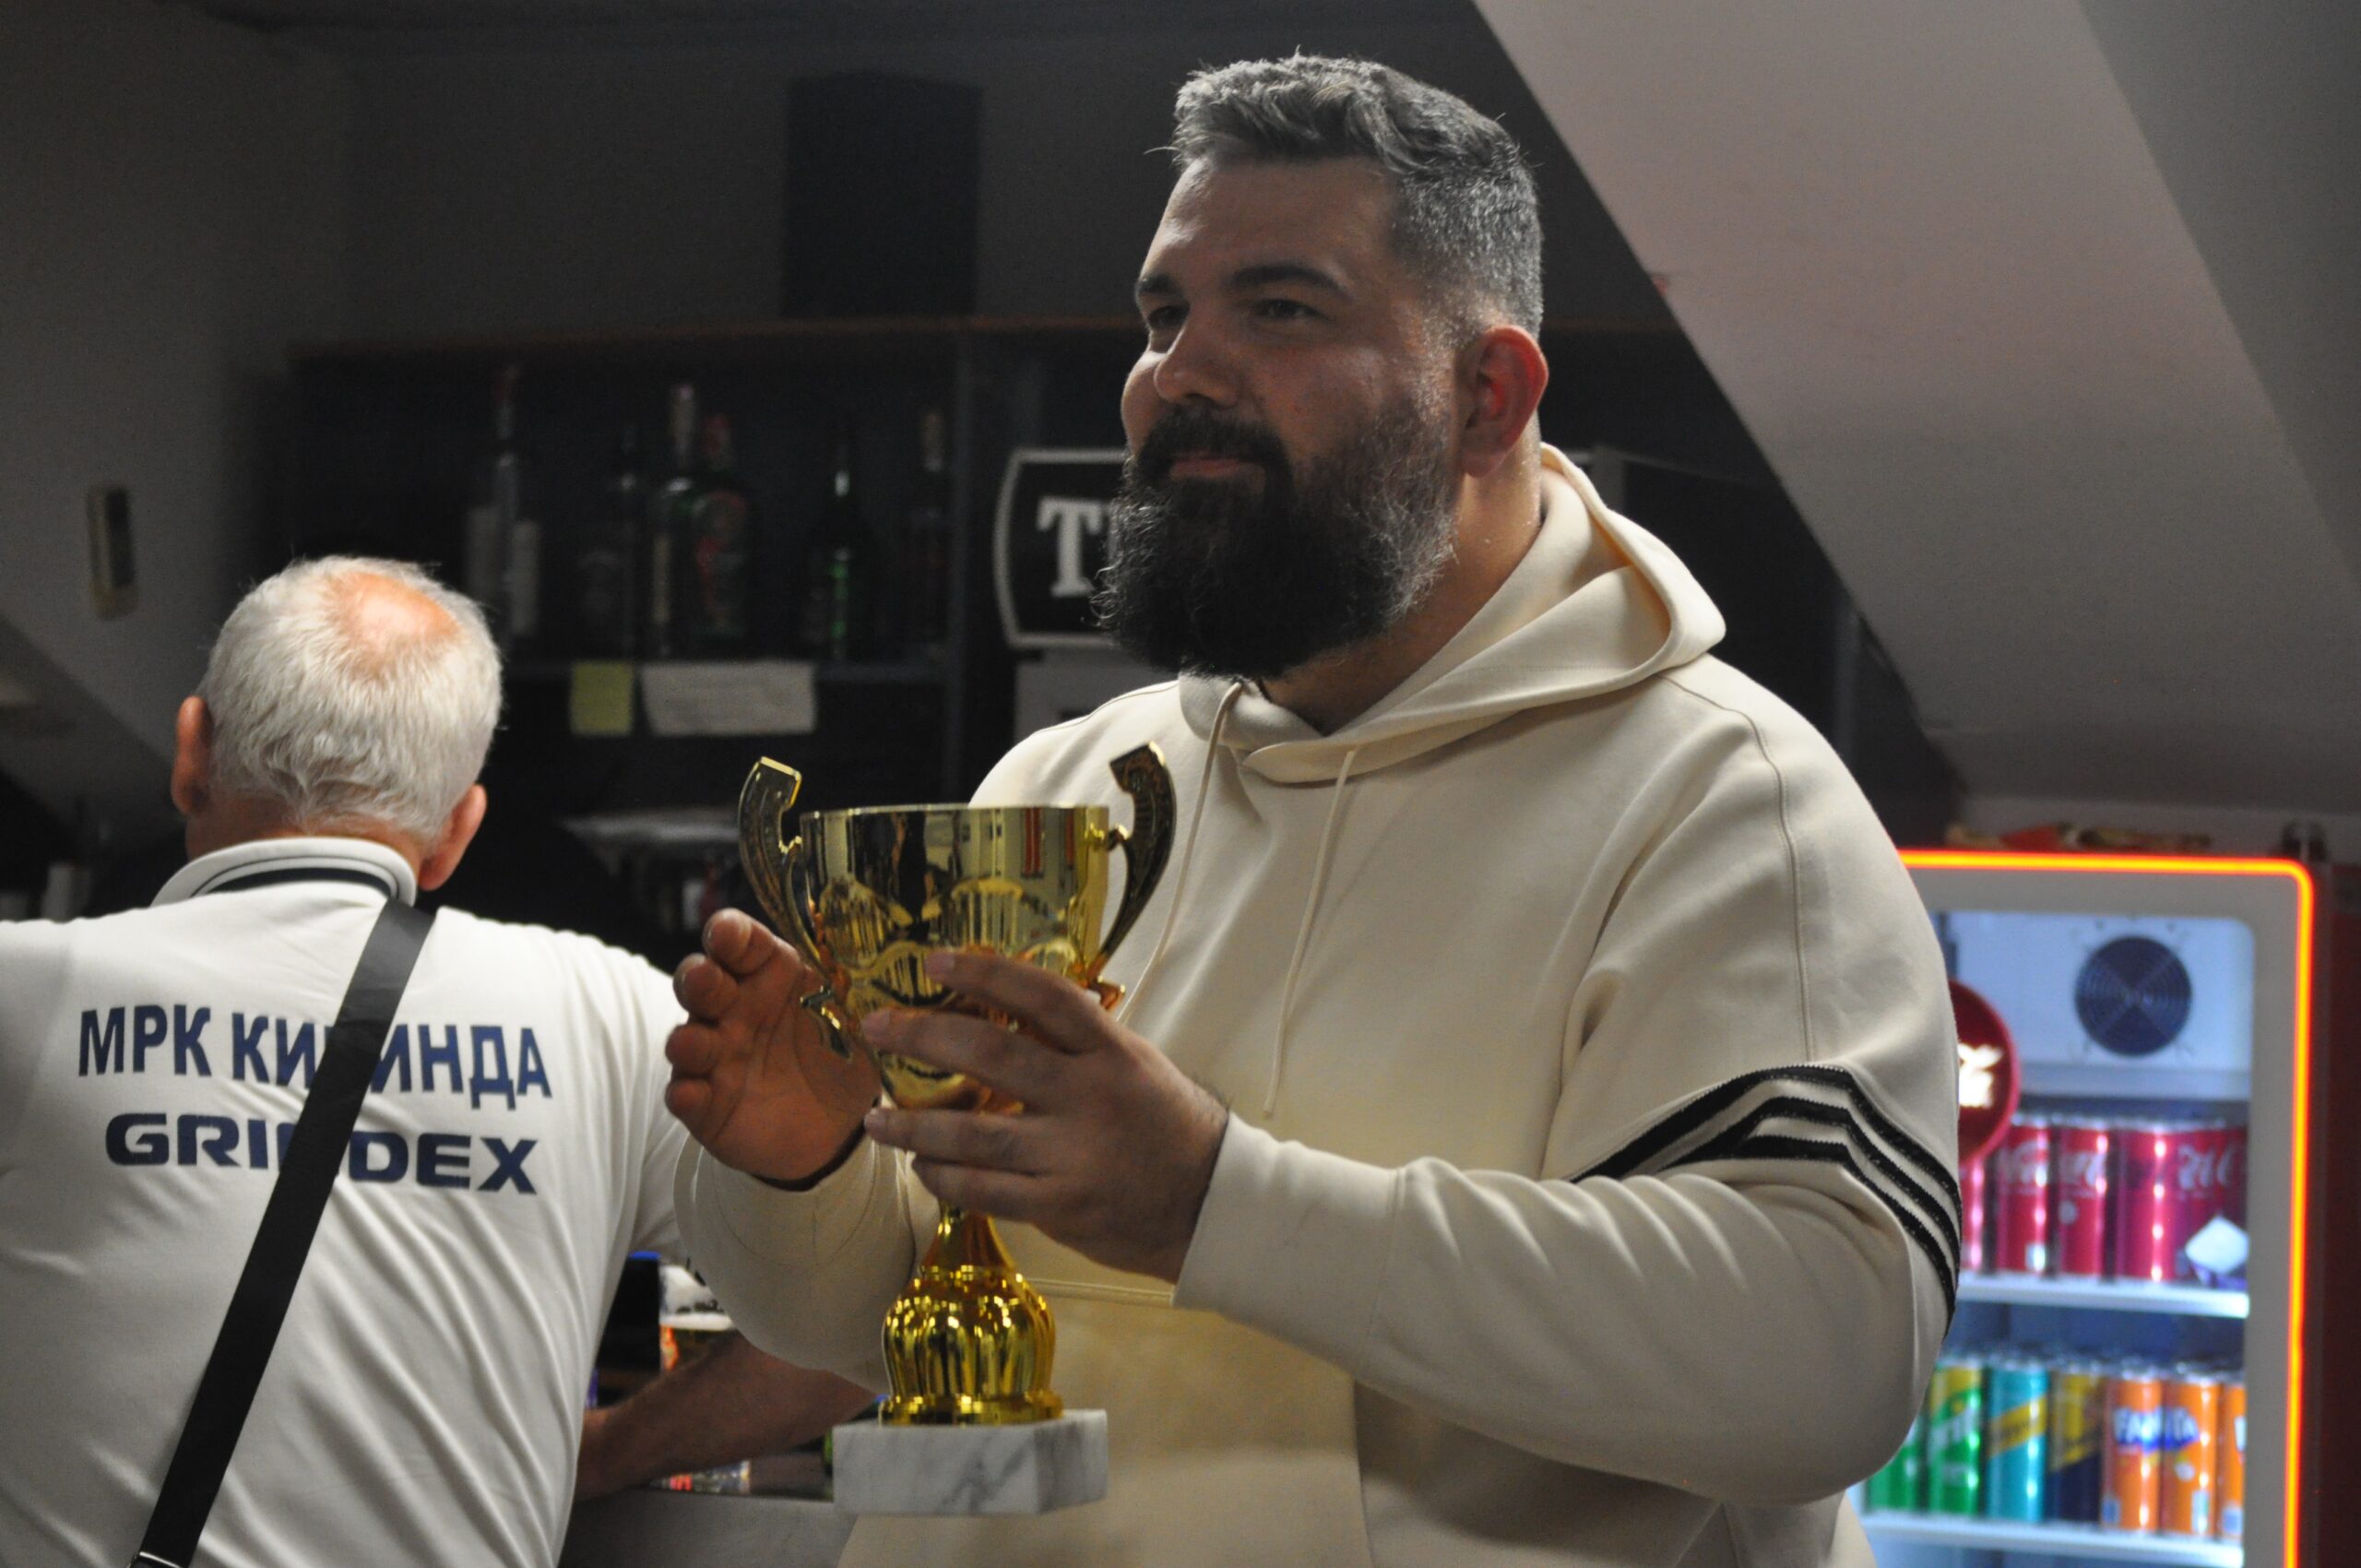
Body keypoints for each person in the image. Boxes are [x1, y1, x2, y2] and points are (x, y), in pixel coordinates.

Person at [667, 55, 1958, 1567]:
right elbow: (881, 1329)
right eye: (1163, 315)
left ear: (1487, 397)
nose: (1179, 373)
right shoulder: (1068, 788)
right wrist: (804, 1167)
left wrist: (1213, 1204)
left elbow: (1825, 1361)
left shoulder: (1727, 804)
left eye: (1279, 309)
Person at [0, 556, 869, 1567]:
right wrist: (598, 1452)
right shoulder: (609, 1012)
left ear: (191, 752)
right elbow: (864, 1313)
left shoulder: (25, 991)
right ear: (457, 829)